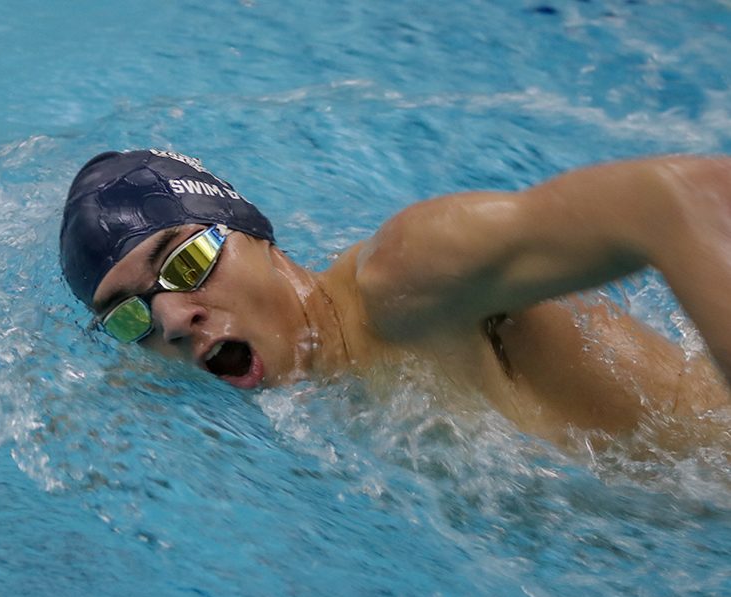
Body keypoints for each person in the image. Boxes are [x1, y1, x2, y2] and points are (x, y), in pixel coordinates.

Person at [60, 149, 731, 444]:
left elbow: (679, 199)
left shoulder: (406, 282)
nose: (173, 318)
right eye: (129, 315)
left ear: (253, 234)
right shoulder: (215, 364)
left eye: (188, 260)